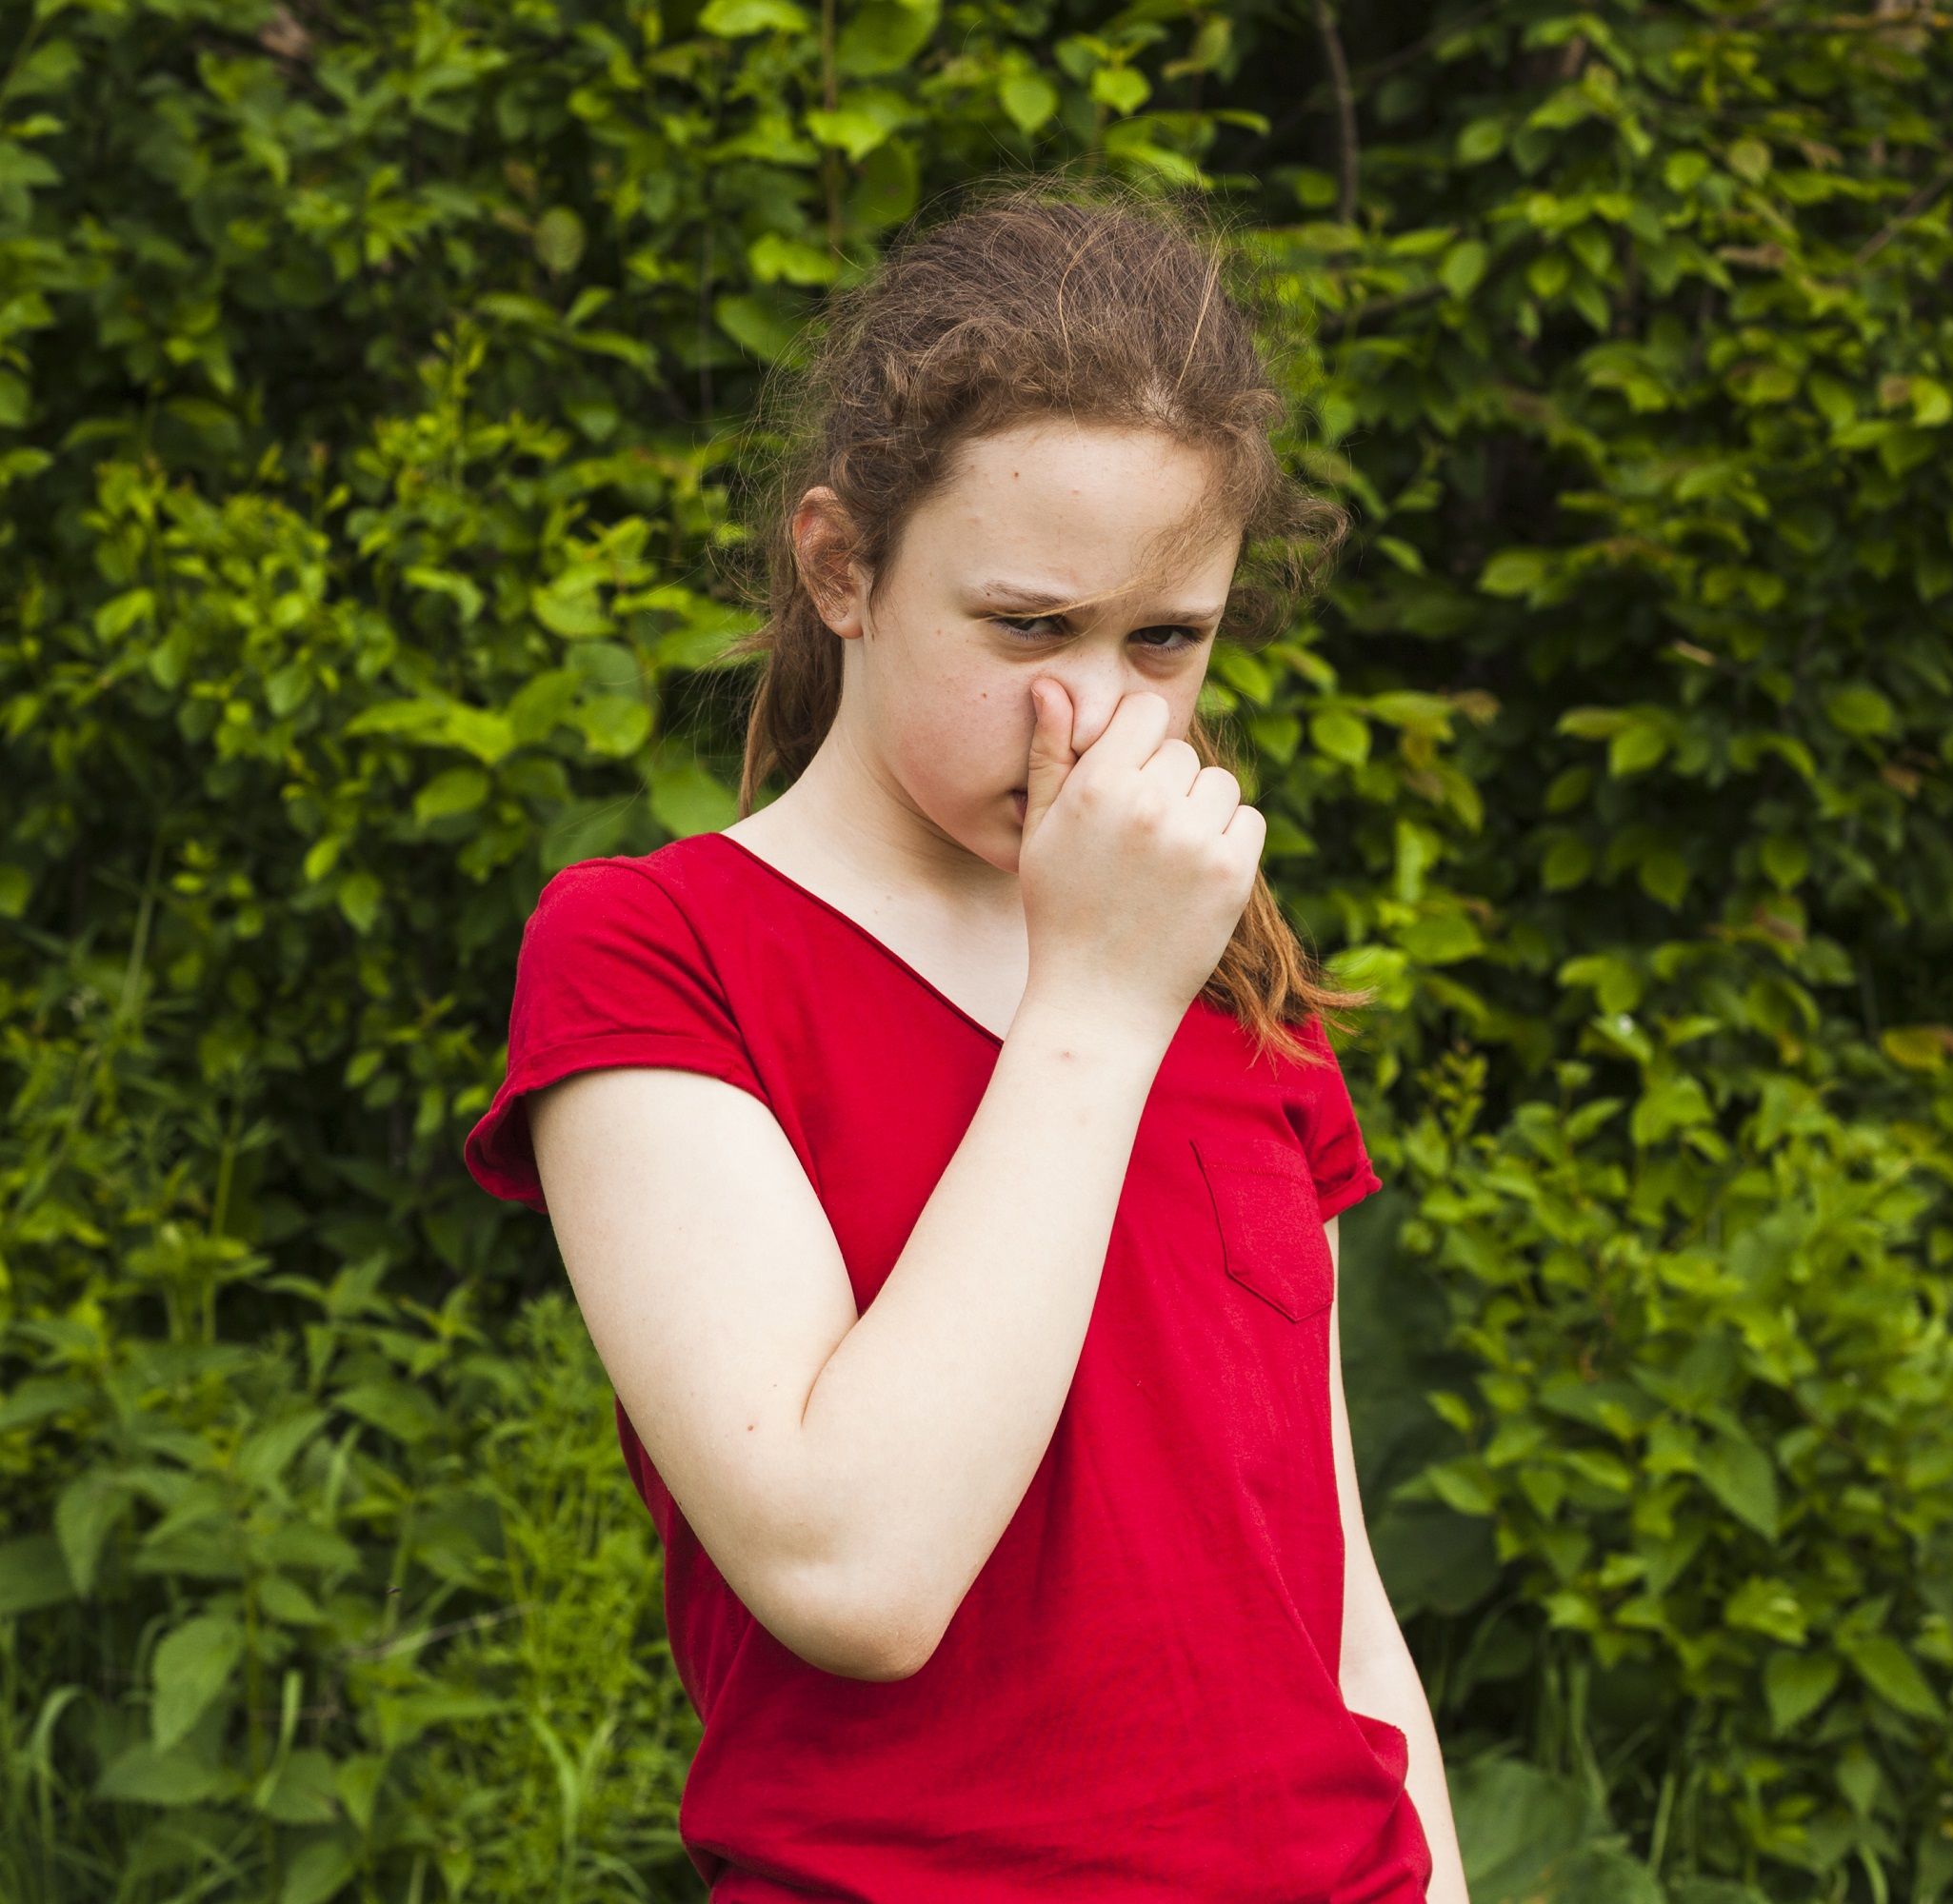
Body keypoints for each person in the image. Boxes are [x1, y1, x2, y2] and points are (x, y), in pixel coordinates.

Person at [463, 174, 1468, 1902]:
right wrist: (1093, 1009)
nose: (1099, 711)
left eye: (1168, 640)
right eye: (1029, 627)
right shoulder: (662, 952)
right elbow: (853, 1576)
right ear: (841, 567)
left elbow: (1338, 1608)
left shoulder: (1219, 976)